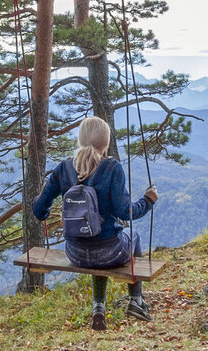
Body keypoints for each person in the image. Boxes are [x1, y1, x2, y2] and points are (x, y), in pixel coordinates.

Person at [31, 116, 159, 331]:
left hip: (76, 253)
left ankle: (98, 308)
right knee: (132, 237)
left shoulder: (63, 169)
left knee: (95, 241)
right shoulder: (111, 168)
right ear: (105, 143)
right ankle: (136, 300)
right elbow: (125, 213)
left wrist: (41, 204)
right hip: (109, 253)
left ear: (81, 140)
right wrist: (148, 200)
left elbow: (39, 211)